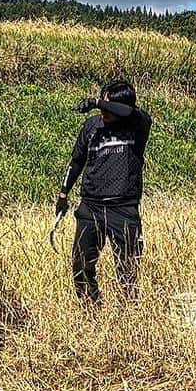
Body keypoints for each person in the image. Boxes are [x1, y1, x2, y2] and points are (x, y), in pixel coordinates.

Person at [55, 80, 152, 306]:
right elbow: (76, 162)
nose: (103, 112)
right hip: (91, 206)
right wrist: (63, 194)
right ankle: (91, 311)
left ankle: (130, 314)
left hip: (123, 208)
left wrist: (98, 102)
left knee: (128, 267)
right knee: (81, 264)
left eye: (109, 107)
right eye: (102, 106)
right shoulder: (91, 127)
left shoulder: (138, 125)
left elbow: (129, 111)